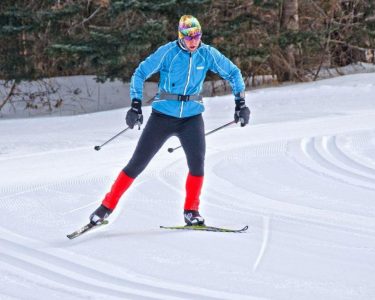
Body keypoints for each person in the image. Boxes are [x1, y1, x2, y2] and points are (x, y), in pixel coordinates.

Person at [89, 15, 250, 226]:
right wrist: (135, 105)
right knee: (137, 163)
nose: (193, 41)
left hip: (191, 118)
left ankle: (191, 211)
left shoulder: (207, 54)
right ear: (180, 36)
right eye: (188, 37)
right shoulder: (168, 52)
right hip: (162, 117)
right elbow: (140, 73)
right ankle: (105, 208)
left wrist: (241, 104)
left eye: (197, 36)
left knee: (197, 163)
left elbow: (233, 73)